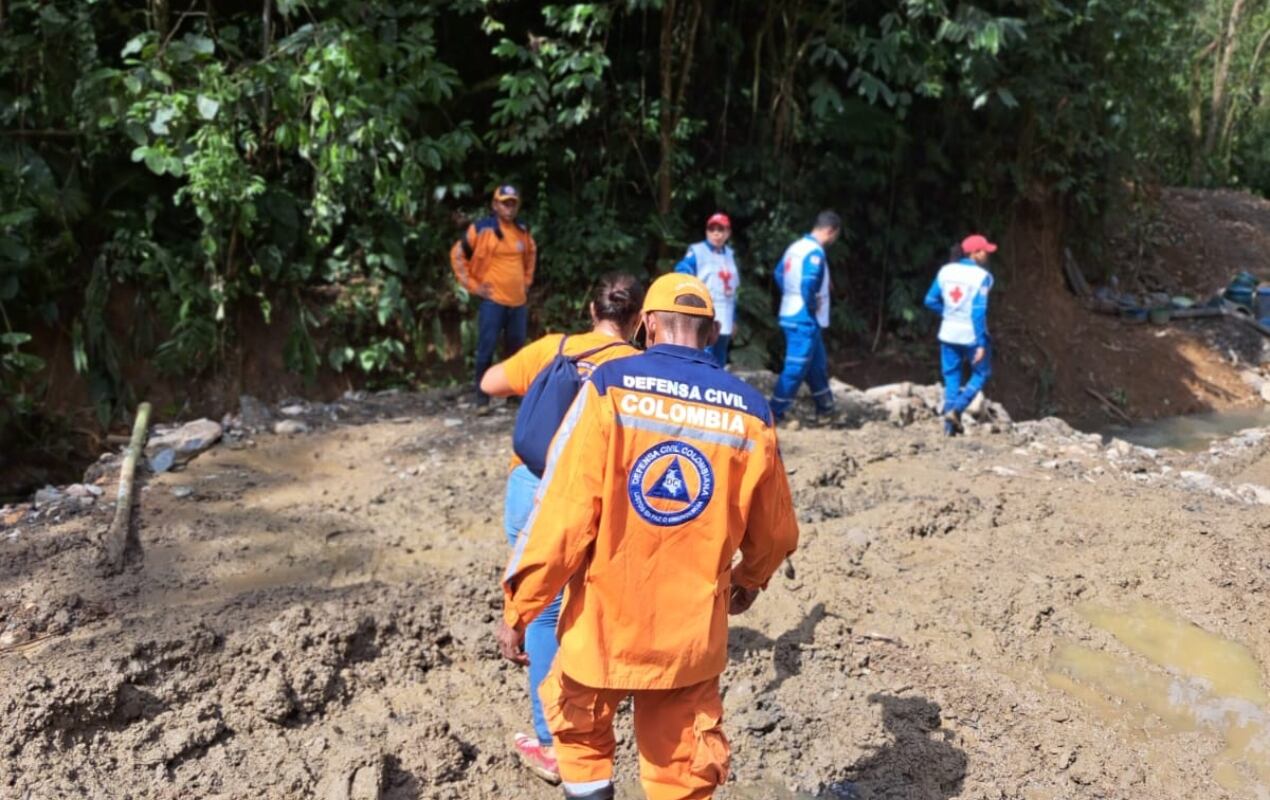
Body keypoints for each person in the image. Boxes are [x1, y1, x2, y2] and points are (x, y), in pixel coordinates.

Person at [497, 273, 799, 800]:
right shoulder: (751, 412)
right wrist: (748, 581)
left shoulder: (608, 388)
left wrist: (520, 608)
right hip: (687, 642)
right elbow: (774, 532)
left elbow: (560, 516)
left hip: (601, 630)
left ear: (647, 325)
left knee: (585, 749)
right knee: (681, 773)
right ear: (712, 332)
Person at [478, 273, 645, 784]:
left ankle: (552, 743)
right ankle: (602, 725)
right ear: (640, 321)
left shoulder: (556, 348)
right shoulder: (643, 369)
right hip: (604, 500)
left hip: (532, 491)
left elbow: (489, 383)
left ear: (590, 310)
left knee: (545, 614)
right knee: (600, 605)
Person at [450, 184, 538, 410]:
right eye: (504, 202)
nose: (509, 207)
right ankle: (482, 398)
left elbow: (530, 257)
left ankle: (513, 395)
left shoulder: (522, 230)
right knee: (486, 349)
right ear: (495, 205)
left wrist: (526, 283)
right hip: (493, 302)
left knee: (516, 351)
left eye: (513, 203)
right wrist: (473, 286)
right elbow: (458, 255)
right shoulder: (481, 229)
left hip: (518, 303)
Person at [770, 210, 841, 423]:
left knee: (817, 364)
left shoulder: (795, 247)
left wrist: (790, 294)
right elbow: (808, 283)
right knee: (796, 366)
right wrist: (810, 305)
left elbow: (779, 273)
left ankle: (826, 409)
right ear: (830, 231)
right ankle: (773, 412)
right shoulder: (815, 252)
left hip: (792, 311)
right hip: (804, 317)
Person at [924, 233, 996, 435]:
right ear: (975, 253)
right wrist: (981, 342)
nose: (987, 255)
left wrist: (947, 314)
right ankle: (957, 410)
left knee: (952, 379)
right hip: (972, 335)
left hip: (947, 333)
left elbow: (930, 300)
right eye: (984, 251)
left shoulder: (945, 271)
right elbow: (979, 311)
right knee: (981, 373)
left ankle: (949, 430)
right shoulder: (984, 277)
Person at [673, 213, 740, 366]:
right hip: (705, 309)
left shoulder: (730, 255)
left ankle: (717, 385)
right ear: (707, 231)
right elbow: (682, 272)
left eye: (721, 229)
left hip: (726, 312)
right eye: (712, 229)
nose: (716, 233)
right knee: (704, 351)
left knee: (720, 354)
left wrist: (735, 318)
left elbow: (734, 291)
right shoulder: (697, 251)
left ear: (728, 233)